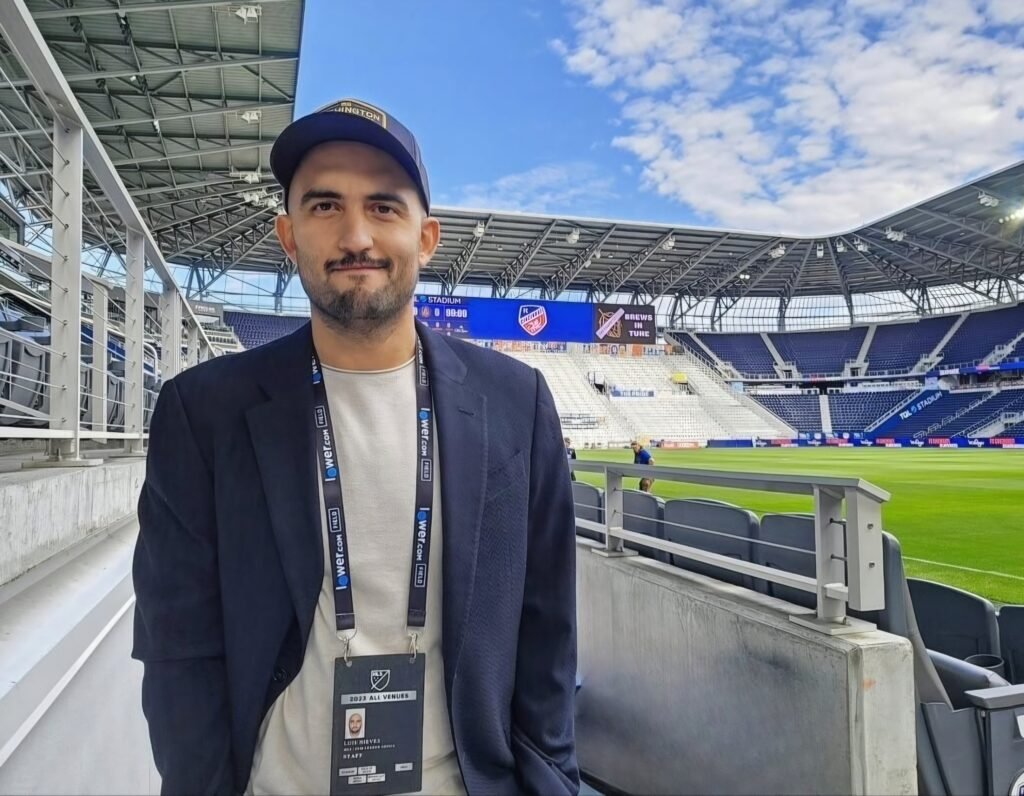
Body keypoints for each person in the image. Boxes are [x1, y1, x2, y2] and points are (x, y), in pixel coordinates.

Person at [132, 98, 579, 796]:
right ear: (289, 236)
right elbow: (177, 648)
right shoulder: (204, 412)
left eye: (383, 206)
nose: (356, 235)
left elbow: (548, 630)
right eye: (325, 206)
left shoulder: (516, 403)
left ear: (426, 238)